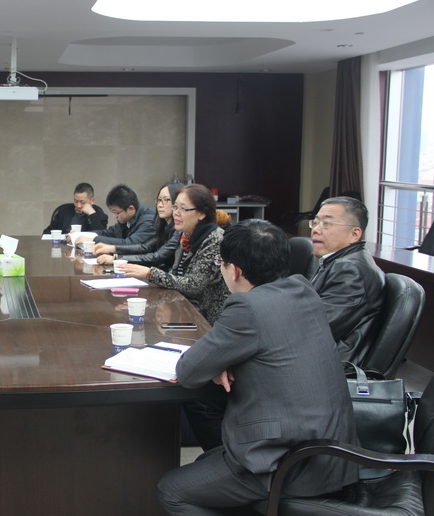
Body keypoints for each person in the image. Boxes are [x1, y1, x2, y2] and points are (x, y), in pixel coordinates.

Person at [156, 219, 358, 515]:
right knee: (205, 462)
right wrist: (223, 359)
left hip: (286, 462)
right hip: (333, 452)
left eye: (221, 263)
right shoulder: (303, 290)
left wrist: (218, 360)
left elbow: (188, 371)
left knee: (172, 490)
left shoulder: (247, 307)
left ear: (235, 270)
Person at [120, 184, 228, 324]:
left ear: (201, 213)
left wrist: (150, 273)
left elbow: (194, 285)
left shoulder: (215, 240)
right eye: (175, 207)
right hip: (184, 309)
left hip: (206, 319)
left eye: (183, 209)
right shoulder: (186, 234)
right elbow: (176, 273)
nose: (176, 213)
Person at [309, 196, 385, 364]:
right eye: (315, 222)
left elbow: (317, 328)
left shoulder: (351, 271)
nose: (316, 230)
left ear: (354, 234)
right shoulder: (339, 261)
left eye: (327, 224)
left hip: (330, 364)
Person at [94, 182, 182, 270]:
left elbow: (156, 257)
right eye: (159, 200)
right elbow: (145, 247)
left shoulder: (178, 229)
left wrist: (116, 259)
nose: (160, 205)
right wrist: (113, 248)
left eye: (166, 200)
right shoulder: (164, 226)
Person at [72, 184, 156, 246]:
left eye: (116, 212)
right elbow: (108, 233)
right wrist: (81, 235)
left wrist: (94, 239)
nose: (114, 216)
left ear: (131, 209)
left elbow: (129, 244)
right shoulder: (127, 219)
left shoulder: (149, 221)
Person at [42, 182, 108, 234]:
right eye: (76, 201)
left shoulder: (99, 215)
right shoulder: (63, 211)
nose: (78, 205)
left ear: (92, 200)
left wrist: (92, 214)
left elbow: (101, 236)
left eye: (82, 202)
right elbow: (47, 233)